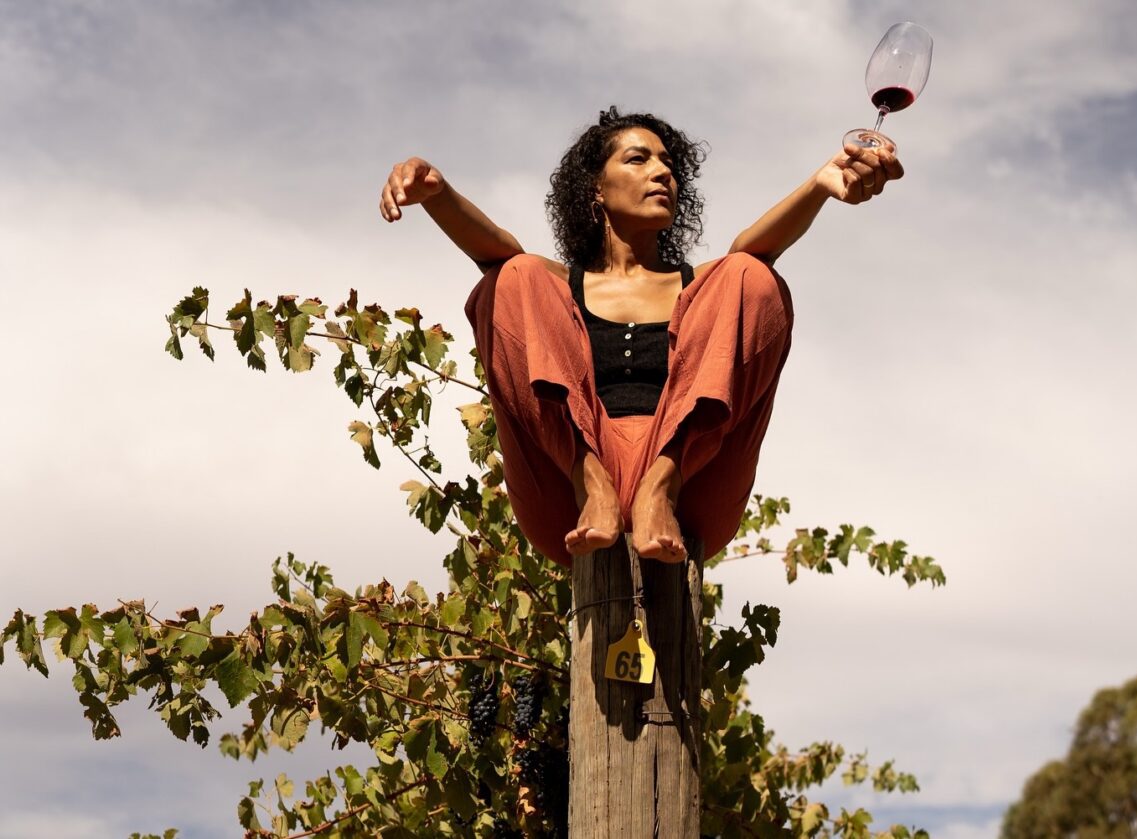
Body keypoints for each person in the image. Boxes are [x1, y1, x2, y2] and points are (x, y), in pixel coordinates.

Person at [378, 107, 902, 567]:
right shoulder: (559, 286)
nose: (662, 172)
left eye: (668, 164)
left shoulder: (701, 288)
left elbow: (752, 250)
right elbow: (497, 250)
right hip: (567, 489)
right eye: (638, 159)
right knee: (511, 277)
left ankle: (659, 486)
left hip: (692, 486)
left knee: (752, 275)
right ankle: (593, 483)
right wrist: (438, 194)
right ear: (596, 189)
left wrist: (819, 185)